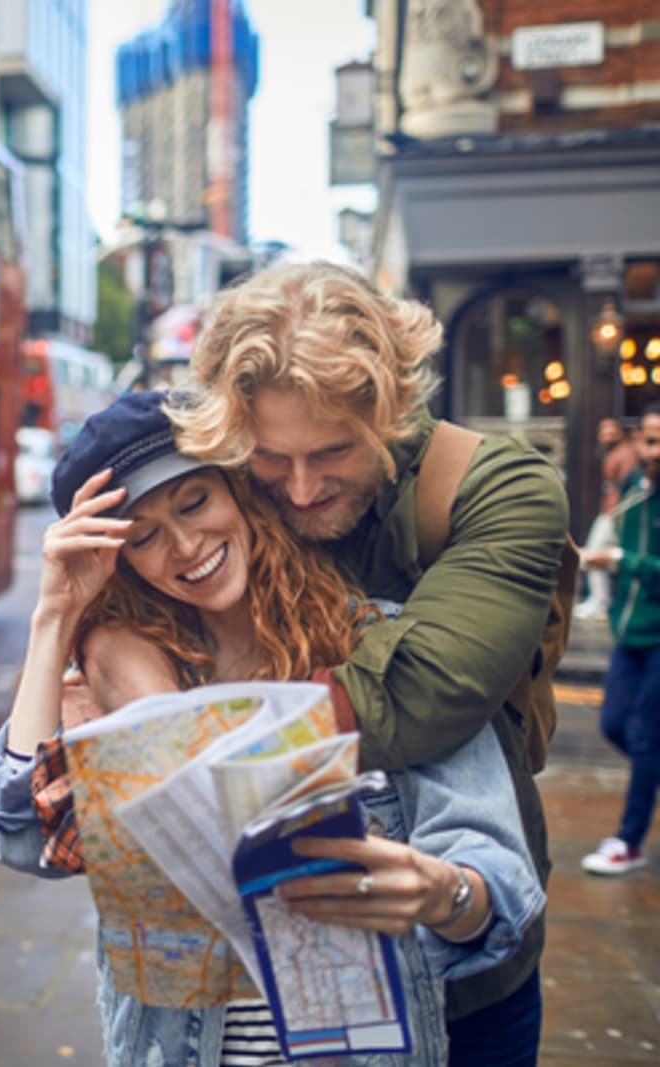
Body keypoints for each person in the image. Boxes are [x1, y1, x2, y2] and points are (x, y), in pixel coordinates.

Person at [0, 391, 543, 1067]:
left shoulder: (379, 643)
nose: (185, 545)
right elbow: (15, 834)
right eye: (143, 535)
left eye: (194, 502)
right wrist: (54, 618)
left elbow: (498, 882)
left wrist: (445, 892)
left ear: (240, 491)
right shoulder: (128, 678)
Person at [169, 261, 568, 1066]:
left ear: (393, 408)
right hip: (261, 978)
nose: (303, 487)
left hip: (459, 966)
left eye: (334, 451)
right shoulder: (224, 493)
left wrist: (179, 741)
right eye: (272, 459)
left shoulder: (505, 488)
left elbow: (417, 695)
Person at [579, 401, 660, 876]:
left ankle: (629, 841)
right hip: (629, 635)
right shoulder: (636, 489)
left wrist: (620, 561)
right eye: (650, 440)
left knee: (647, 737)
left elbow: (636, 559)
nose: (656, 450)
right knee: (614, 725)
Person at [575, 417, 638, 619]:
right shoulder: (612, 453)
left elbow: (627, 489)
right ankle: (599, 599)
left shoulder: (626, 454)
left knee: (595, 552)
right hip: (609, 511)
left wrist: (616, 513)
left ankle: (601, 601)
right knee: (597, 553)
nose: (606, 436)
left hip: (615, 513)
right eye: (603, 432)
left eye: (611, 431)